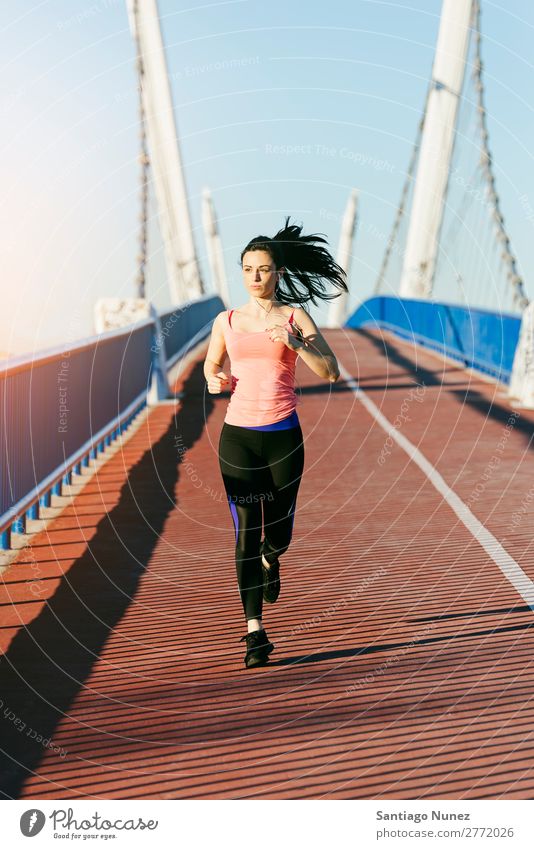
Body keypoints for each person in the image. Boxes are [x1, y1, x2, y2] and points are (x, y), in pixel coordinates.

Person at [204, 216, 347, 668]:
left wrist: (294, 342)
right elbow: (211, 367)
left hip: (283, 435)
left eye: (263, 269)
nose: (255, 277)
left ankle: (273, 556)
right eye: (248, 269)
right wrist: (215, 379)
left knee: (278, 532)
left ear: (278, 272)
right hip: (238, 438)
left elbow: (331, 371)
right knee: (246, 530)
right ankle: (255, 633)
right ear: (241, 272)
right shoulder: (225, 321)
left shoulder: (294, 316)